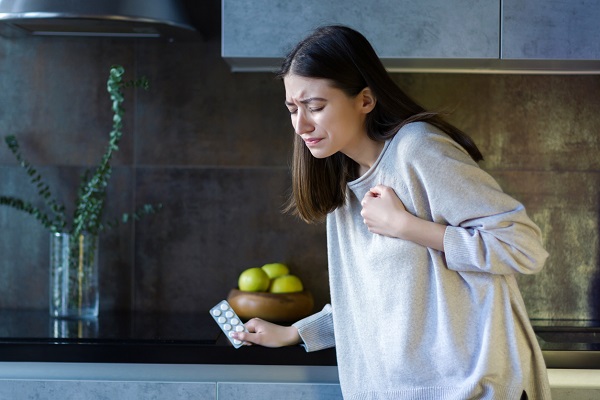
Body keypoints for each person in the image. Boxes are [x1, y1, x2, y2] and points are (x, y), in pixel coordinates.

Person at [231, 25, 551, 400]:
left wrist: (407, 226)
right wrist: (297, 333)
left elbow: (524, 247)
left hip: (473, 389)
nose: (301, 125)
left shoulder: (417, 150)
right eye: (292, 109)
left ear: (365, 100)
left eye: (315, 107)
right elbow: (378, 300)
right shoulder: (345, 182)